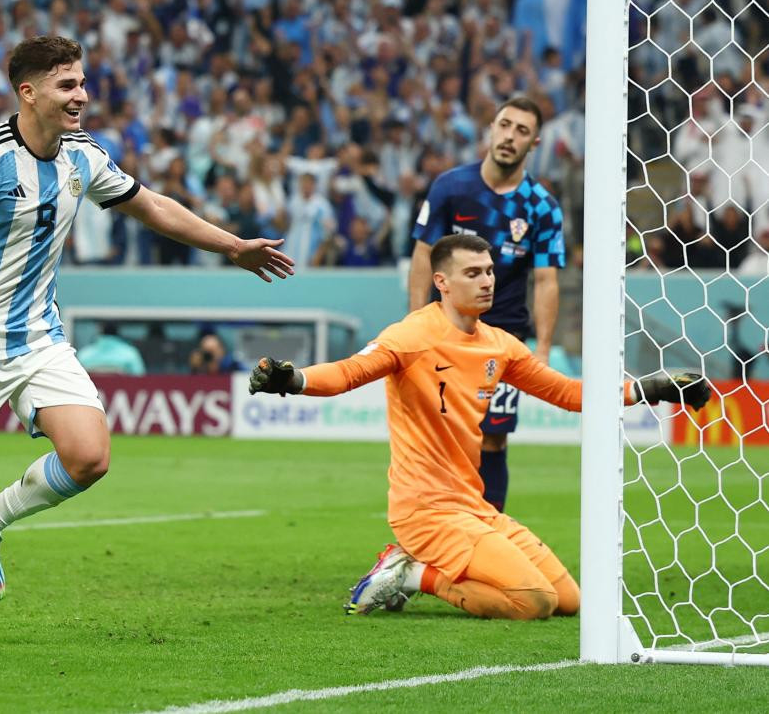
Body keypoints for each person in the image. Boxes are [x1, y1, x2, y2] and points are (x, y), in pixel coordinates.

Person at [0, 35, 294, 646]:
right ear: (28, 93)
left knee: (89, 456)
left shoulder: (85, 156)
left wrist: (232, 245)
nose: (81, 95)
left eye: (81, 83)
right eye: (66, 85)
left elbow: (153, 206)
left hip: (39, 337)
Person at [250, 235, 710, 620]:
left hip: (473, 504)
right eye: (473, 273)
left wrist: (650, 387)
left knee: (569, 602)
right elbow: (348, 373)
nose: (487, 280)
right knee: (534, 602)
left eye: (489, 271)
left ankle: (419, 568)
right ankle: (413, 574)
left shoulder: (499, 344)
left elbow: (569, 394)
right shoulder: (411, 336)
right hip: (425, 511)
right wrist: (293, 380)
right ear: (442, 283)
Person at [407, 96, 564, 512]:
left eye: (522, 131)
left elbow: (546, 280)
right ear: (491, 129)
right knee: (440, 434)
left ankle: (491, 534)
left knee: (493, 436)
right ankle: (432, 533)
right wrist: (413, 323)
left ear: (535, 143)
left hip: (504, 338)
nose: (510, 136)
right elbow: (423, 256)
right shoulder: (451, 188)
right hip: (445, 333)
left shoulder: (541, 207)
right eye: (505, 125)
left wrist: (543, 348)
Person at [76, 322, 146, 375]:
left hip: (89, 393)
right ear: (117, 333)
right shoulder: (130, 353)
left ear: (100, 333)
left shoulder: (84, 355)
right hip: (122, 393)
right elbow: (140, 377)